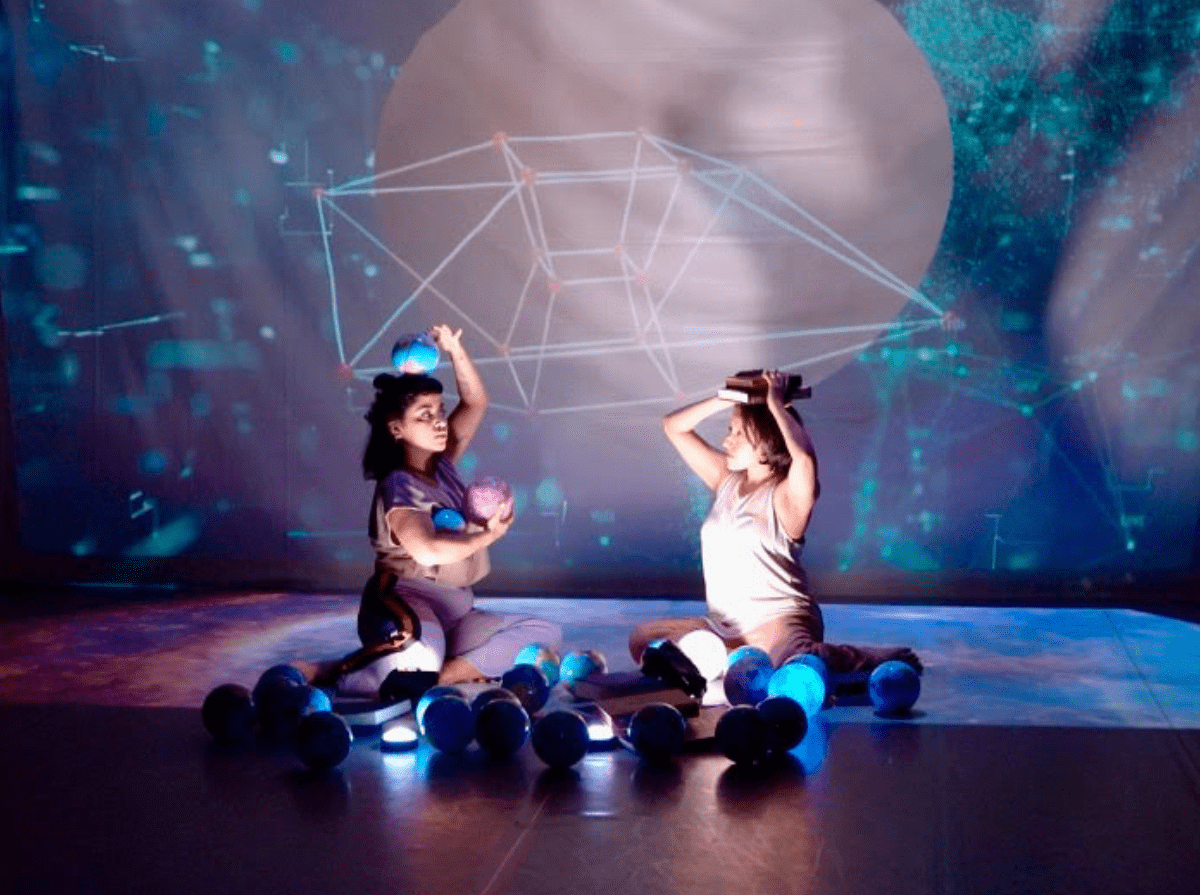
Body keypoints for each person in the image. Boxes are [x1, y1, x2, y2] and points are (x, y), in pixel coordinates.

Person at [312, 324, 561, 694]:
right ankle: (332, 671)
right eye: (424, 415)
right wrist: (488, 535)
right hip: (406, 601)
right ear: (397, 429)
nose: (439, 421)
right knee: (421, 657)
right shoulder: (399, 483)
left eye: (440, 410)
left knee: (544, 634)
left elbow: (475, 403)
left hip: (457, 610)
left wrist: (454, 350)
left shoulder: (442, 464)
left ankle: (435, 678)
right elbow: (426, 549)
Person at [629, 370, 920, 682]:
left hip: (779, 622)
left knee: (797, 667)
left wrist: (775, 404)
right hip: (725, 627)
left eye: (738, 433)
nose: (727, 440)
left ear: (767, 443)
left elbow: (804, 459)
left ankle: (861, 659)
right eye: (730, 430)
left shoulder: (786, 496)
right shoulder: (725, 481)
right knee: (644, 640)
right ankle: (739, 662)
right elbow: (674, 427)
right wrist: (731, 396)